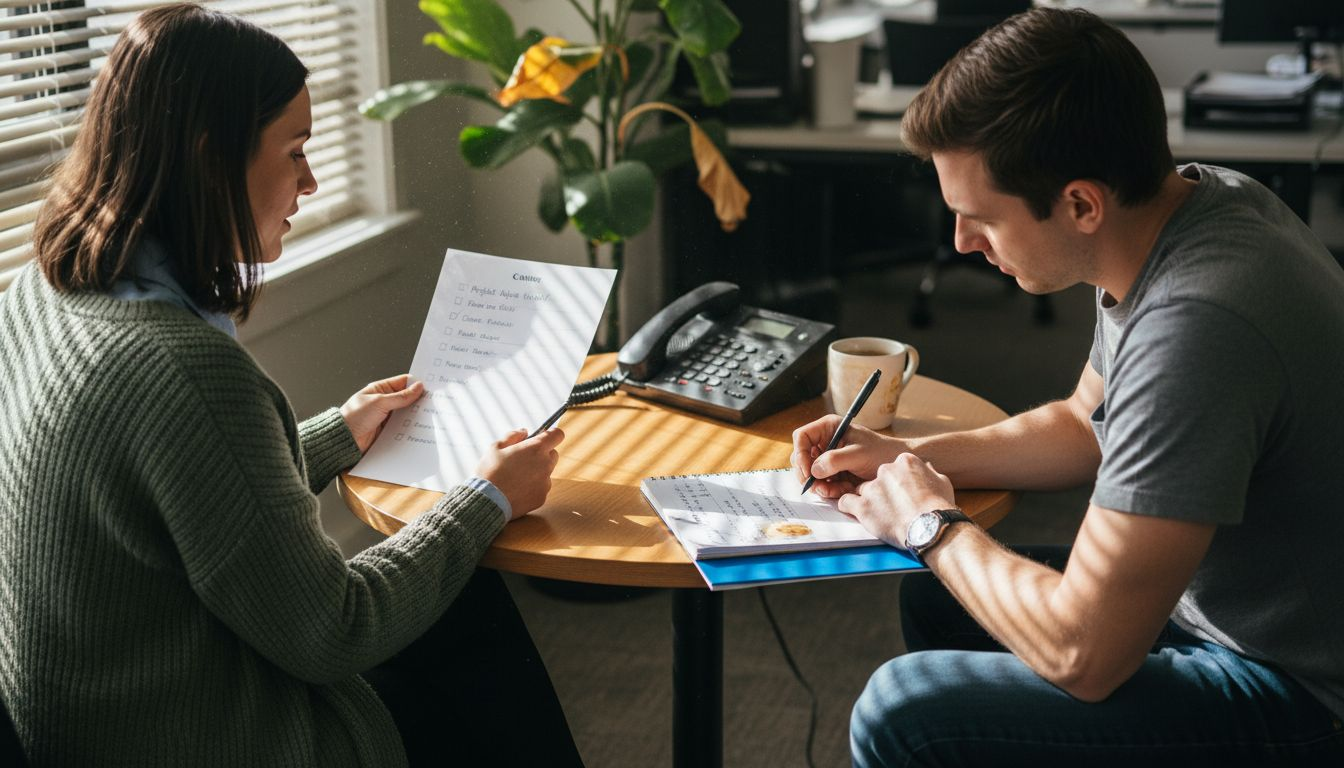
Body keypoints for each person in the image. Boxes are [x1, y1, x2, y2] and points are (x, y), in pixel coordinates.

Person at [0, 5, 582, 766]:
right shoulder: (181, 367)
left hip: (87, 713)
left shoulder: (45, 289)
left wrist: (341, 430)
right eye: (297, 151)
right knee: (465, 611)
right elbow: (334, 631)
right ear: (212, 157)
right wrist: (489, 497)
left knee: (446, 599)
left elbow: (180, 494)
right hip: (183, 736)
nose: (311, 181)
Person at [791, 8, 1344, 766]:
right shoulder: (1183, 211)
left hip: (1304, 693)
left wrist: (930, 524)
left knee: (903, 711)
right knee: (938, 598)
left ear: (1081, 203)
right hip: (1232, 616)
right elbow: (1090, 420)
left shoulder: (1200, 324)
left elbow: (1083, 652)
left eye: (979, 218)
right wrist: (902, 460)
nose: (960, 244)